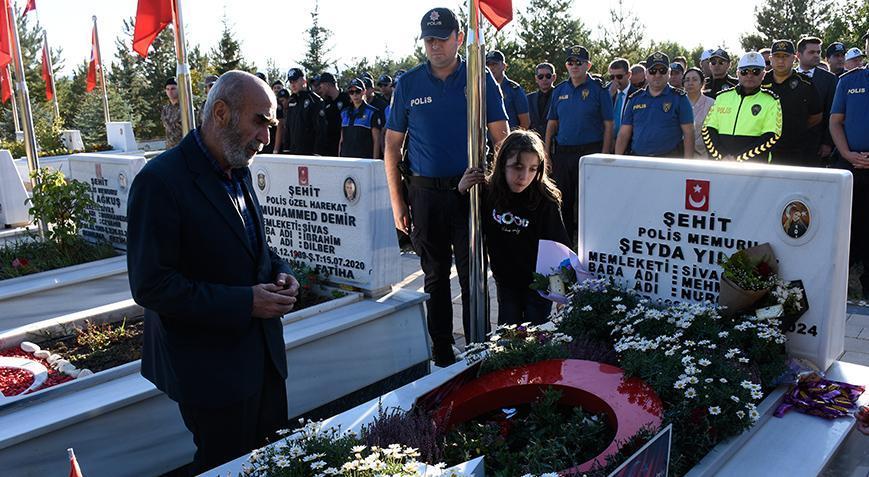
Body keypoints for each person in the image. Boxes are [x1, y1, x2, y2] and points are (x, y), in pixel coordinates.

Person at [127, 70, 299, 474]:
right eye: (260, 122)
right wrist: (247, 301)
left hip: (263, 360)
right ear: (221, 112)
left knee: (273, 462)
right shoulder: (160, 181)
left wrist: (282, 272)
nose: (267, 138)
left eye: (272, 126)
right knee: (225, 466)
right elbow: (152, 285)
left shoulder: (237, 169)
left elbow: (254, 248)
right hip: (211, 372)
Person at [385, 6, 508, 366]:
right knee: (435, 276)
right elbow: (392, 147)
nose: (435, 45)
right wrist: (398, 203)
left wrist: (497, 188)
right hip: (424, 193)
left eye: (442, 38)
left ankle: (479, 351)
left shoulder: (478, 77)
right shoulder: (409, 83)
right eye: (429, 39)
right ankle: (441, 354)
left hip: (469, 191)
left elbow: (501, 137)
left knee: (473, 277)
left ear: (459, 38)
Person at [457, 130, 568, 326]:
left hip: (538, 283)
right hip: (506, 281)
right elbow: (460, 222)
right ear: (502, 164)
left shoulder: (546, 200)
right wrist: (461, 191)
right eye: (518, 167)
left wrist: (560, 294)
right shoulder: (487, 192)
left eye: (533, 169)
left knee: (536, 336)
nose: (524, 176)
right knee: (507, 336)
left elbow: (558, 247)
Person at [545, 45, 613, 239]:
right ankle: (565, 242)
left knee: (588, 202)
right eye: (570, 62)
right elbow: (552, 124)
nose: (574, 66)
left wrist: (605, 155)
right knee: (563, 200)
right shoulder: (559, 91)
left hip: (590, 153)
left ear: (588, 65)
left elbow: (608, 124)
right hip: (564, 154)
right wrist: (547, 152)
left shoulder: (599, 90)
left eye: (579, 62)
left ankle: (589, 241)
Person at [830, 57, 869, 297]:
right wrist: (847, 153)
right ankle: (845, 285)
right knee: (850, 226)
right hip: (850, 166)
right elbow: (835, 122)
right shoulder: (848, 81)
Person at [702, 52, 782, 162]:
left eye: (756, 71)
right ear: (737, 73)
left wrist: (738, 159)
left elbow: (771, 137)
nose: (749, 76)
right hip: (721, 164)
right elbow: (707, 130)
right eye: (744, 72)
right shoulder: (722, 97)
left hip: (754, 167)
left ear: (763, 74)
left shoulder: (771, 101)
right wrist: (722, 156)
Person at [615, 52, 694, 158]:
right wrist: (617, 160)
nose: (657, 75)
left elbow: (689, 133)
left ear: (669, 73)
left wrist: (687, 164)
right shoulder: (635, 99)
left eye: (662, 70)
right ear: (646, 74)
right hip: (639, 159)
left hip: (669, 160)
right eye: (653, 71)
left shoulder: (679, 98)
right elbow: (624, 134)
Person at [761, 39, 822, 166]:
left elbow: (816, 116)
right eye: (777, 56)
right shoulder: (760, 82)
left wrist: (795, 128)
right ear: (771, 59)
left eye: (785, 56)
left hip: (796, 151)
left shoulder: (806, 84)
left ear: (794, 58)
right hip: (763, 149)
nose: (781, 61)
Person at [796, 36, 838, 163]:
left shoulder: (830, 79)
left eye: (818, 52)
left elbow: (832, 112)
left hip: (817, 144)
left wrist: (827, 143)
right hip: (789, 144)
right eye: (811, 52)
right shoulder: (788, 77)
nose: (816, 55)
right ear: (798, 55)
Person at [275, 67, 321, 155]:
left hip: (309, 153)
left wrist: (317, 153)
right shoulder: (292, 101)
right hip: (293, 152)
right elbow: (288, 127)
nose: (293, 85)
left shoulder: (314, 100)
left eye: (295, 81)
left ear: (304, 81)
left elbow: (319, 130)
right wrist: (286, 150)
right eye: (290, 82)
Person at [340, 78, 383, 159]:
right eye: (351, 92)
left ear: (364, 92)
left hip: (364, 160)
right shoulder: (344, 112)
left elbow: (377, 140)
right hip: (346, 158)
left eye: (358, 91)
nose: (355, 95)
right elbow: (342, 139)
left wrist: (374, 162)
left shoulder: (372, 112)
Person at [486, 50, 530, 130]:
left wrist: (513, 141)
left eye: (494, 64)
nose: (490, 68)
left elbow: (525, 122)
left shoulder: (514, 89)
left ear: (504, 66)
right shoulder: (483, 89)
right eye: (488, 65)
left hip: (508, 138)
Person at [315, 72, 349, 156]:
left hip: (343, 146)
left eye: (321, 85)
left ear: (327, 84)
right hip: (327, 148)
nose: (319, 88)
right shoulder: (325, 103)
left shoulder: (346, 99)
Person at [683, 67, 714, 157]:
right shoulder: (679, 102)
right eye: (687, 80)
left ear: (702, 83)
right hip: (681, 153)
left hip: (704, 155)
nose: (690, 83)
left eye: (695, 80)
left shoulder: (711, 103)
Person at [608, 58, 637, 142]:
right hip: (608, 141)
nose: (615, 80)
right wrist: (608, 97)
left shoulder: (636, 95)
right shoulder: (606, 92)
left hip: (628, 142)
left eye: (619, 76)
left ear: (629, 75)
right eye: (612, 77)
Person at [527, 62, 556, 139]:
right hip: (534, 143)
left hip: (556, 143)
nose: (544, 79)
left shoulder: (560, 96)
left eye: (548, 76)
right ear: (536, 78)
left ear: (554, 77)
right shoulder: (528, 99)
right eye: (540, 76)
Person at [162, 77, 183, 149]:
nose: (170, 92)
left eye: (173, 89)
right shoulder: (165, 109)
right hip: (170, 148)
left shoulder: (185, 108)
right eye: (167, 89)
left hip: (183, 147)